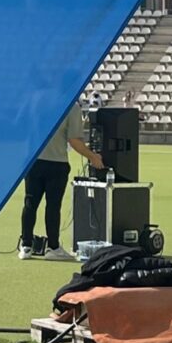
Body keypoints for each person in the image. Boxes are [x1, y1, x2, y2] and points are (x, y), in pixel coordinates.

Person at [18, 104, 103, 261]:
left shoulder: (35, 99)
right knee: (53, 206)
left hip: (33, 161)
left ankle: (26, 245)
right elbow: (74, 140)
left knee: (30, 203)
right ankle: (53, 247)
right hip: (57, 162)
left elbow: (20, 126)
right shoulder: (71, 107)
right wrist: (93, 156)